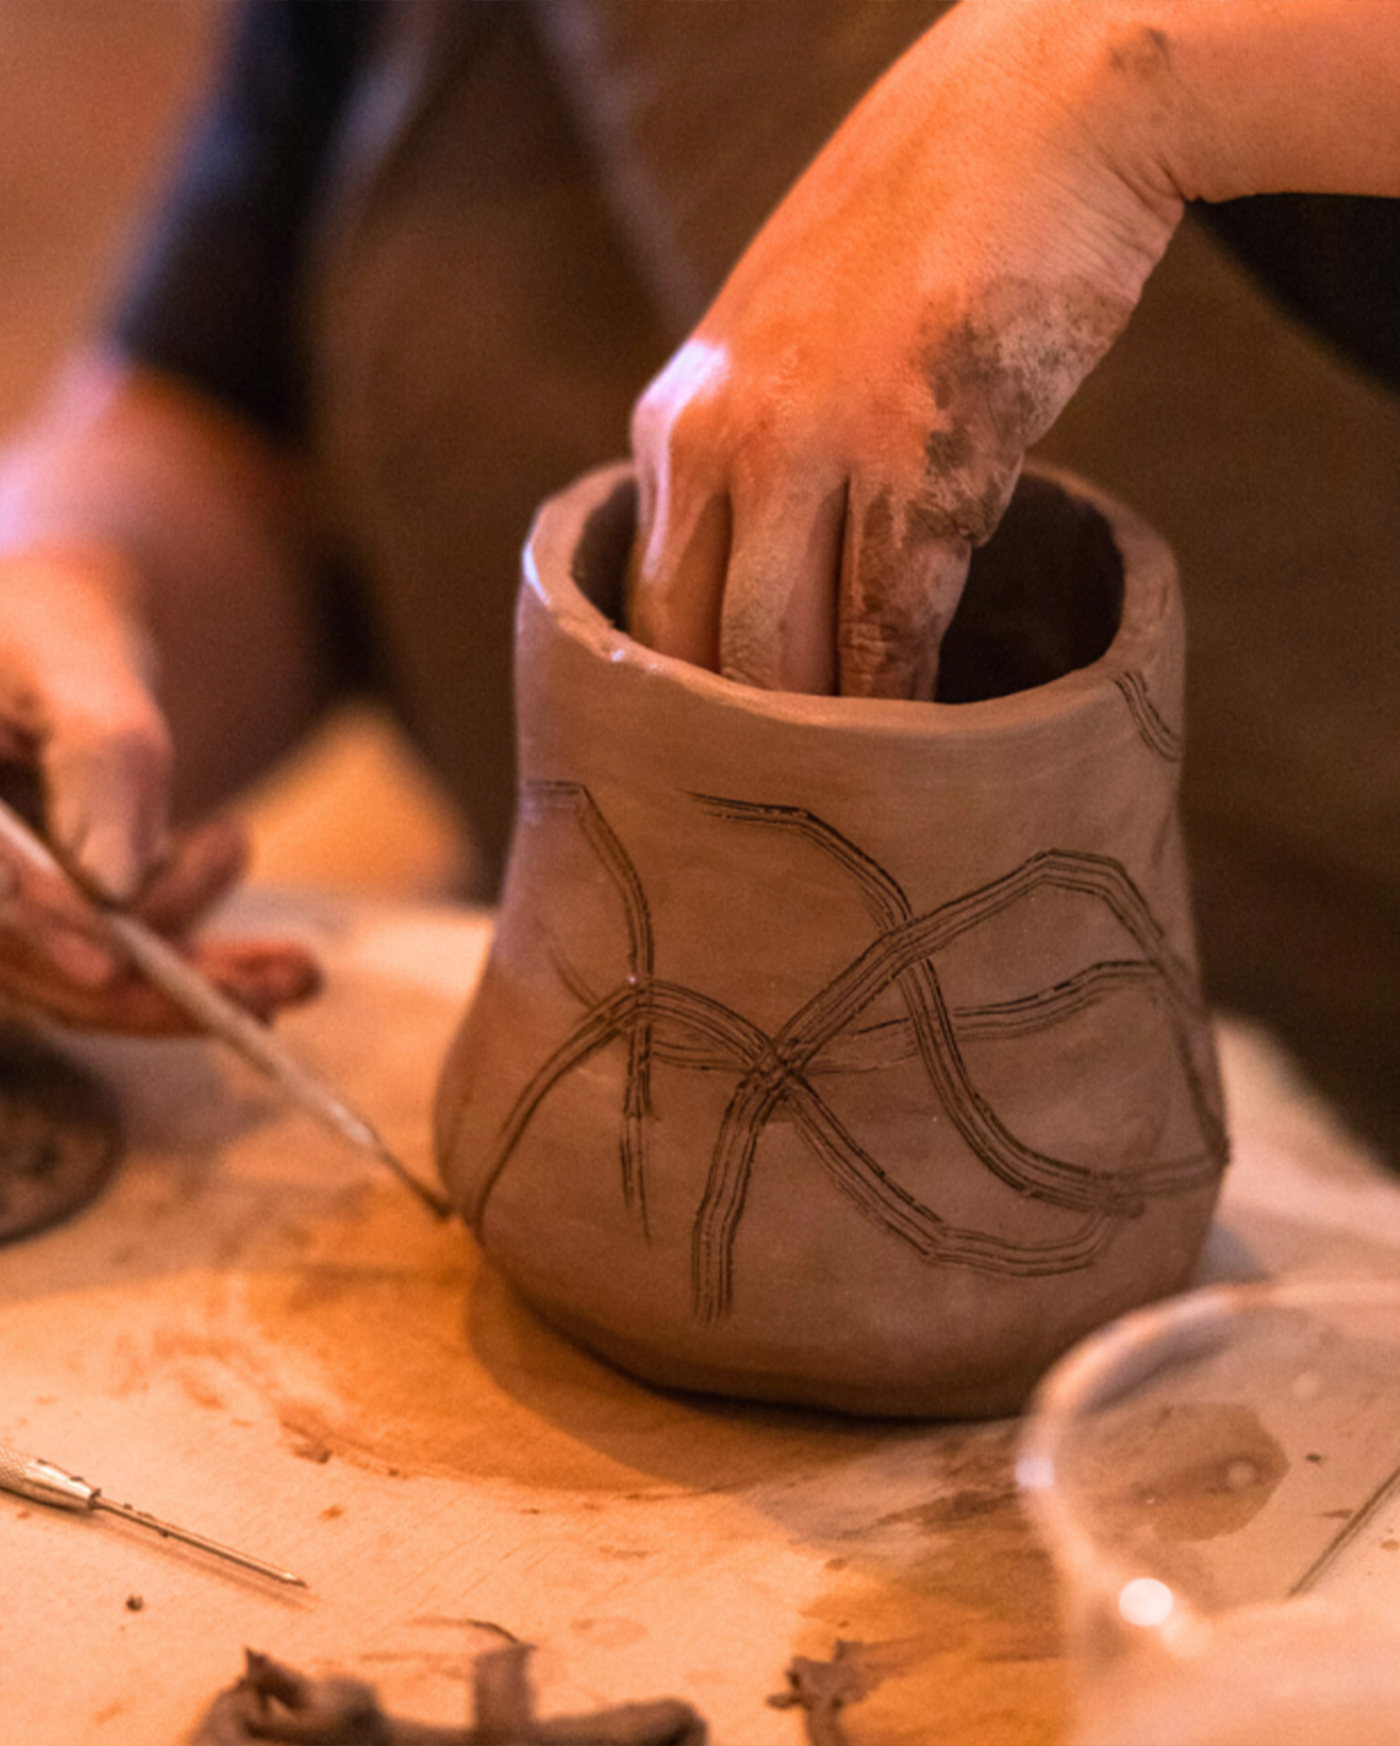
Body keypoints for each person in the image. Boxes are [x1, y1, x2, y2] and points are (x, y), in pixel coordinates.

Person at [0, 2, 1396, 1112]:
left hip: (1319, 1191)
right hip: (590, 1061)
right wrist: (69, 591)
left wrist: (1121, 71)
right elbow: (229, 420)